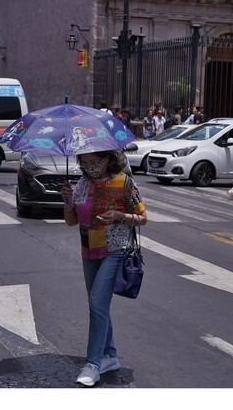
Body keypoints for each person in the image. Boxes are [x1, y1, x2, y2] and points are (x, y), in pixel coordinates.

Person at [60, 150, 147, 387]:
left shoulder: (124, 181)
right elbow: (72, 221)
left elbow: (142, 217)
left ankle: (93, 364)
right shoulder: (82, 184)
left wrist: (120, 216)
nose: (90, 167)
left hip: (116, 250)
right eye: (84, 163)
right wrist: (67, 200)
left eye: (94, 162)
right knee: (98, 305)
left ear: (108, 158)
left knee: (97, 303)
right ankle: (111, 356)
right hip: (89, 250)